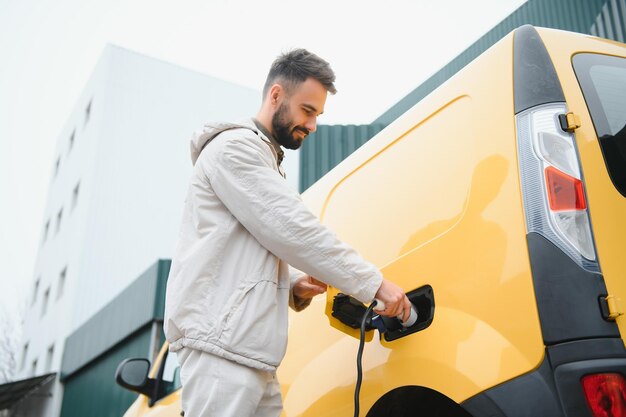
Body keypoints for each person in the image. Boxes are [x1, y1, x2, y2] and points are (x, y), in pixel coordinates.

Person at [163, 48, 412, 417]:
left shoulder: (263, 158)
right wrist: (374, 284)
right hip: (222, 350)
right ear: (276, 95)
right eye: (307, 111)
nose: (312, 125)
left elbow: (253, 244)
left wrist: (293, 283)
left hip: (249, 353)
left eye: (318, 115)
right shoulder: (236, 150)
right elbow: (294, 230)